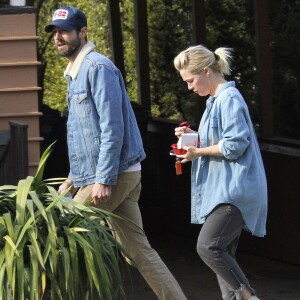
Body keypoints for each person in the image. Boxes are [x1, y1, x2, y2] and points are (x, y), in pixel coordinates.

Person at [44, 6, 187, 300]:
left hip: (113, 174)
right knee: (138, 252)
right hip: (106, 174)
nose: (59, 37)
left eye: (65, 31)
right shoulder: (74, 72)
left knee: (60, 237)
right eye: (56, 32)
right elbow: (83, 135)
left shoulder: (98, 68)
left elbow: (113, 127)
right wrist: (73, 178)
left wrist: (104, 179)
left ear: (82, 33)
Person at [173, 45, 268, 300]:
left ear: (206, 71)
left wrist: (198, 153)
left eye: (191, 80)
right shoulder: (215, 101)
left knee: (209, 246)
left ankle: (249, 296)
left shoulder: (229, 99)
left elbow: (235, 145)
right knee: (223, 255)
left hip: (235, 190)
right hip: (223, 190)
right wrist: (191, 138)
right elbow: (217, 140)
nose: (190, 87)